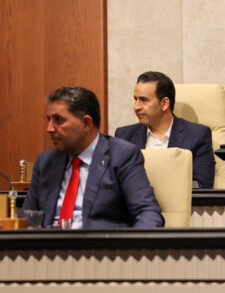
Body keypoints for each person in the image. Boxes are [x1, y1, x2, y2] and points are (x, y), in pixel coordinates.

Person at [23, 86, 164, 228]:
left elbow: (147, 213)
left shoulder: (121, 156)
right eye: (49, 120)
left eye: (59, 120)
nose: (49, 128)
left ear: (86, 123)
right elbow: (26, 218)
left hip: (99, 241)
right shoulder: (46, 162)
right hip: (49, 241)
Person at [115, 71, 215, 188]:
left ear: (164, 103)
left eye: (144, 100)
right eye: (135, 99)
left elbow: (201, 186)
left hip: (178, 200)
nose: (136, 107)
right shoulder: (124, 136)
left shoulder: (197, 135)